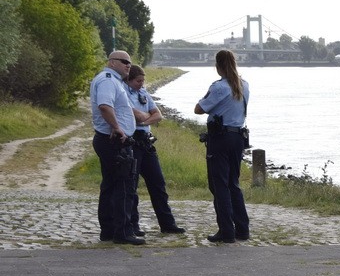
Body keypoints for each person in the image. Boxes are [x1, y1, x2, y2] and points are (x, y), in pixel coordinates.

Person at [195, 49, 250, 243]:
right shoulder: (244, 85)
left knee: (219, 186)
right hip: (238, 138)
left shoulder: (218, 87)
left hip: (220, 138)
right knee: (233, 184)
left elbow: (199, 108)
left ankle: (226, 231)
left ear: (218, 66)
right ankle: (242, 229)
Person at [89, 50, 143, 245]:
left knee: (110, 185)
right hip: (114, 140)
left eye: (129, 62)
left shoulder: (112, 80)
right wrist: (117, 127)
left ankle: (109, 231)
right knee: (122, 186)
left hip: (110, 139)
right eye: (124, 61)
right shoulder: (108, 80)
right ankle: (122, 232)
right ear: (112, 62)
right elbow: (105, 106)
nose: (128, 65)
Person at [125, 65, 186, 236]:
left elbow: (158, 115)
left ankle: (167, 223)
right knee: (132, 185)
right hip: (133, 141)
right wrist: (145, 117)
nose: (141, 84)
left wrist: (145, 121)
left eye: (143, 81)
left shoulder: (143, 93)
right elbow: (133, 114)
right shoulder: (124, 94)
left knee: (158, 184)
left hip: (146, 141)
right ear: (129, 80)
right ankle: (133, 225)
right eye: (138, 81)